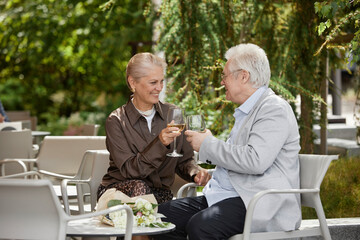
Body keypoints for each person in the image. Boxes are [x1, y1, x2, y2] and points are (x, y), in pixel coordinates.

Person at [154, 43, 302, 240]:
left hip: (256, 201)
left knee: (202, 226)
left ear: (243, 76)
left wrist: (207, 144)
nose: (222, 82)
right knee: (160, 218)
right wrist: (207, 146)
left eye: (224, 76)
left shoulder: (274, 109)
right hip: (227, 195)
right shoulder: (246, 110)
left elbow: (255, 160)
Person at [97, 52, 211, 206]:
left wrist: (195, 172)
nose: (159, 88)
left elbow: (184, 160)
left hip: (159, 195)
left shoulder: (172, 115)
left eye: (161, 81)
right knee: (140, 188)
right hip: (120, 193)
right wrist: (160, 142)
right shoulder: (116, 120)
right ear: (132, 83)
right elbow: (130, 172)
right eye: (153, 82)